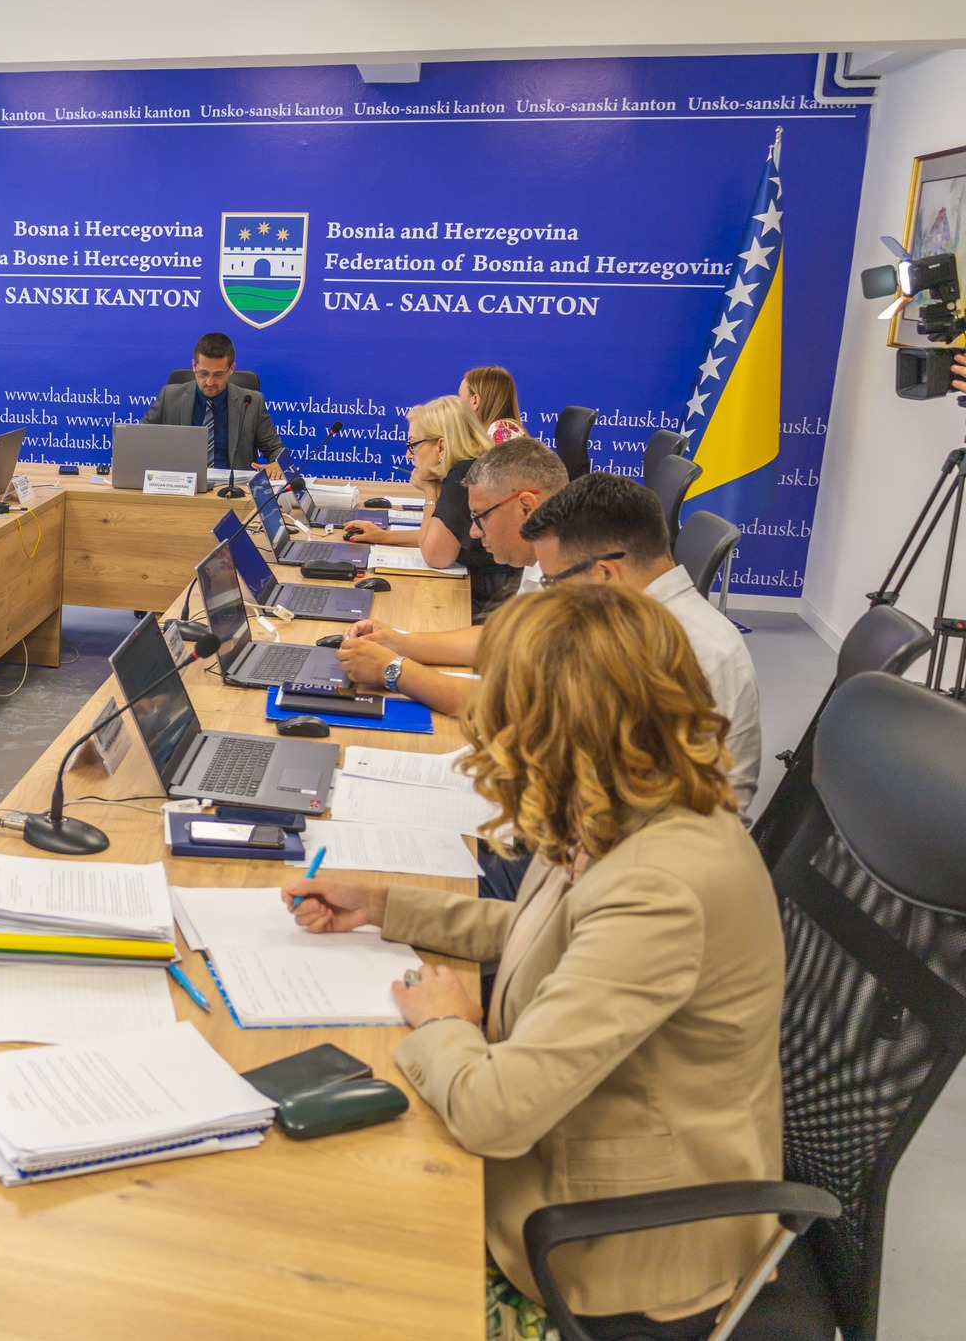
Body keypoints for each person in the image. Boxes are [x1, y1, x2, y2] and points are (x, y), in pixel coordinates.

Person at [292, 585, 783, 1340]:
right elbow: (548, 932)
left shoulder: (661, 886)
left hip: (611, 1251)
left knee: (324, 1263)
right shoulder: (628, 804)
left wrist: (447, 1024)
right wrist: (385, 907)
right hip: (571, 1153)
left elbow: (494, 1114)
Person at [519, 473, 762, 814]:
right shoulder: (631, 619)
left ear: (605, 574)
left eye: (554, 582)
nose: (551, 597)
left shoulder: (684, 651)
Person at [336, 437, 569, 713]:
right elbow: (501, 639)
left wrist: (391, 669)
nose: (473, 532)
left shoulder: (576, 586)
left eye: (480, 516)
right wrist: (398, 642)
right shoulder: (542, 556)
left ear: (526, 508)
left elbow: (515, 706)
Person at [340, 395, 515, 616]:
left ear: (441, 446)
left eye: (413, 444)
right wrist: (383, 537)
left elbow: (436, 556)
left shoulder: (463, 476)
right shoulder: (473, 466)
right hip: (496, 591)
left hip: (492, 603)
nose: (408, 455)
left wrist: (431, 494)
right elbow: (443, 535)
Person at [139, 332, 285, 478]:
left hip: (232, 487)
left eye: (218, 374)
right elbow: (139, 439)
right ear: (194, 366)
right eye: (203, 373)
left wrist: (277, 464)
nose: (210, 382)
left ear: (231, 369)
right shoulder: (169, 397)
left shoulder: (252, 403)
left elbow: (276, 449)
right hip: (180, 484)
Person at [463, 365, 526, 443]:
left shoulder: (500, 430)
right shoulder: (494, 432)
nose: (456, 403)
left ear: (475, 401)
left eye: (459, 395)